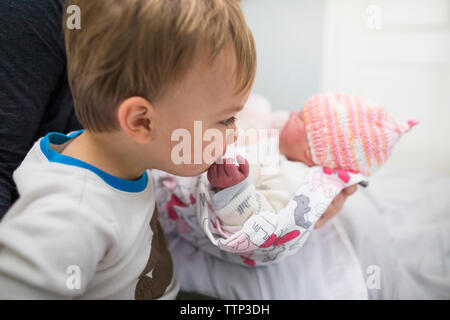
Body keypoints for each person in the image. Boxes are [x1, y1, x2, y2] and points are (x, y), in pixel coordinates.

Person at [0, 0, 257, 299]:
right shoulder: (73, 214)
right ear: (141, 121)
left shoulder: (119, 155)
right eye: (225, 120)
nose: (234, 132)